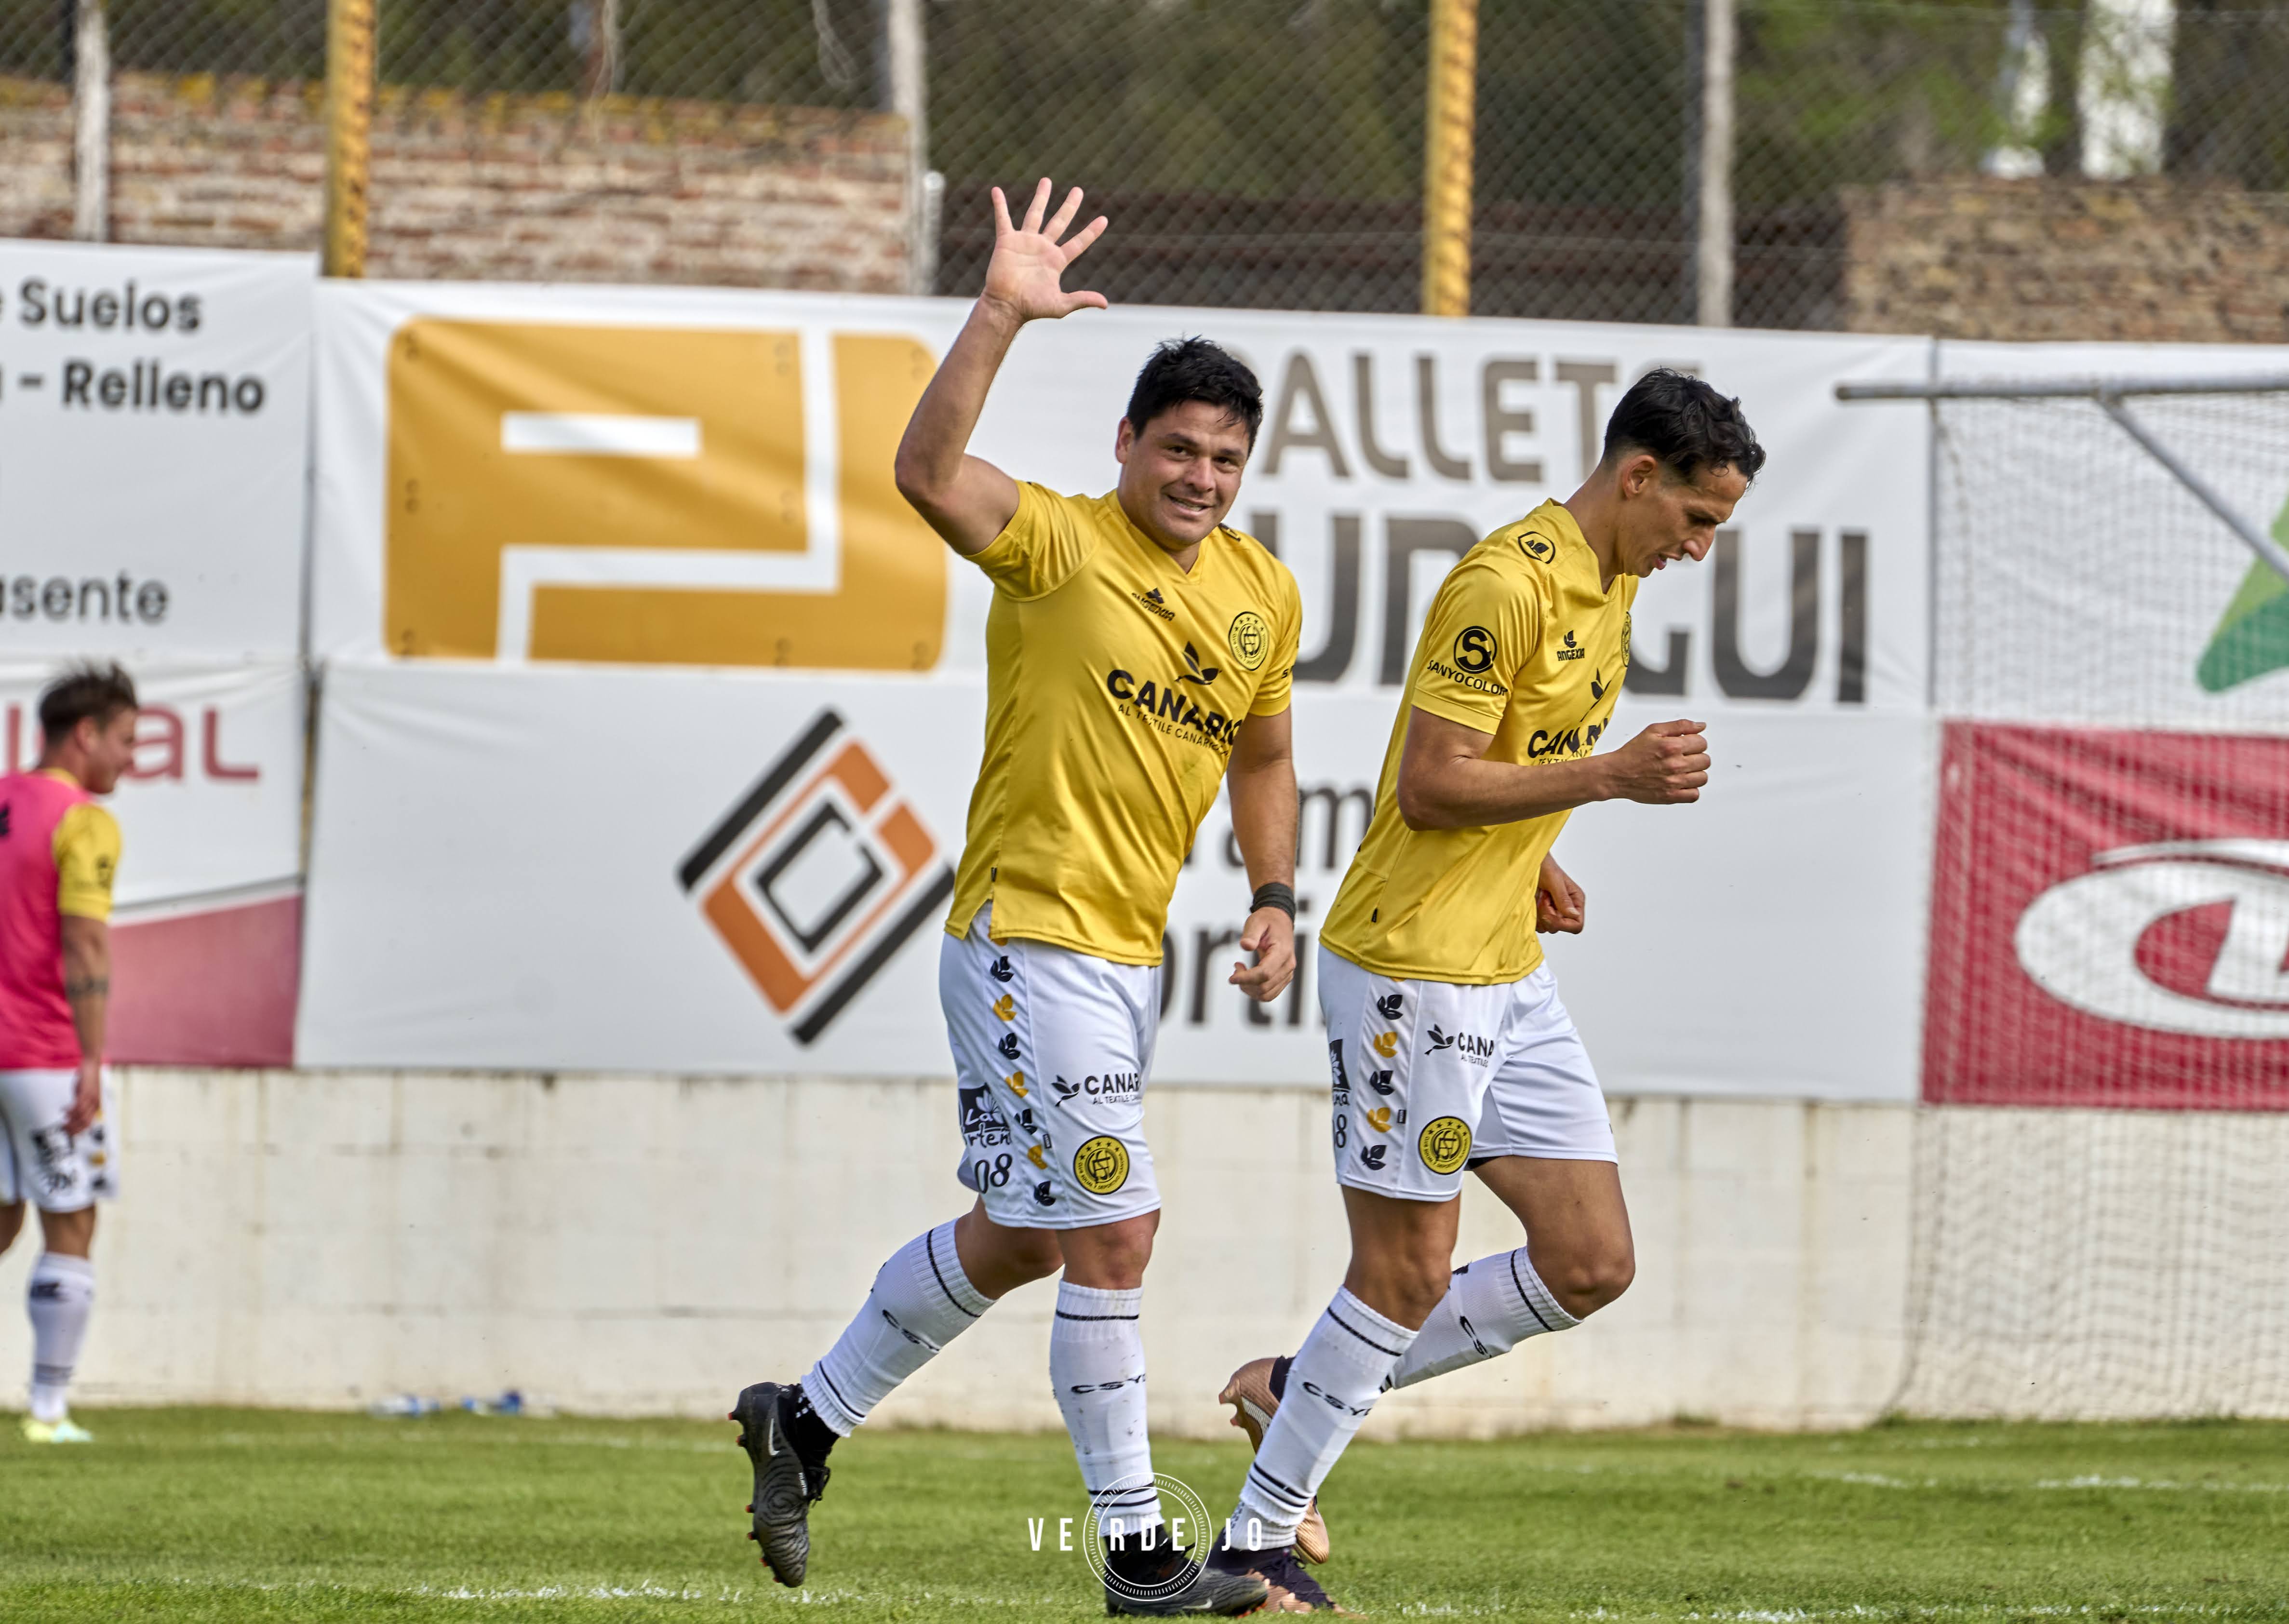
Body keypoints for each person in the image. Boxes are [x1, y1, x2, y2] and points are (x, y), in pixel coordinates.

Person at [730, 178, 1300, 1618]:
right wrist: (998, 310)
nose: (1200, 478)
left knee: (1033, 1236)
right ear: (1126, 445)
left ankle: (798, 1423)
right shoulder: (1053, 542)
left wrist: (1274, 893)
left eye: (1224, 458)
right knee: (1116, 1231)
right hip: (1018, 941)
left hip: (1120, 960)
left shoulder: (1260, 596)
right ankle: (1135, 1556)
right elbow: (926, 471)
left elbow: (1267, 753)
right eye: (1177, 450)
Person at [1205, 371, 1766, 1611]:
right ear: (1636, 478)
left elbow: (1509, 764)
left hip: (1502, 966)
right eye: (1695, 519)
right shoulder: (1503, 582)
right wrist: (1609, 779)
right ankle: (1251, 1547)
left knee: (1588, 1259)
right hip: (1412, 967)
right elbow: (1428, 784)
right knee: (1403, 1269)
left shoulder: (1611, 582)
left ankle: (1288, 1387)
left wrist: (1538, 852)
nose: (1699, 546)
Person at [0, 662, 138, 1445]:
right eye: (124, 740)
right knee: (71, 1220)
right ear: (85, 734)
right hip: (42, 1050)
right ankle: (49, 1411)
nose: (129, 758)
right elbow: (84, 942)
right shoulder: (81, 819)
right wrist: (91, 1058)